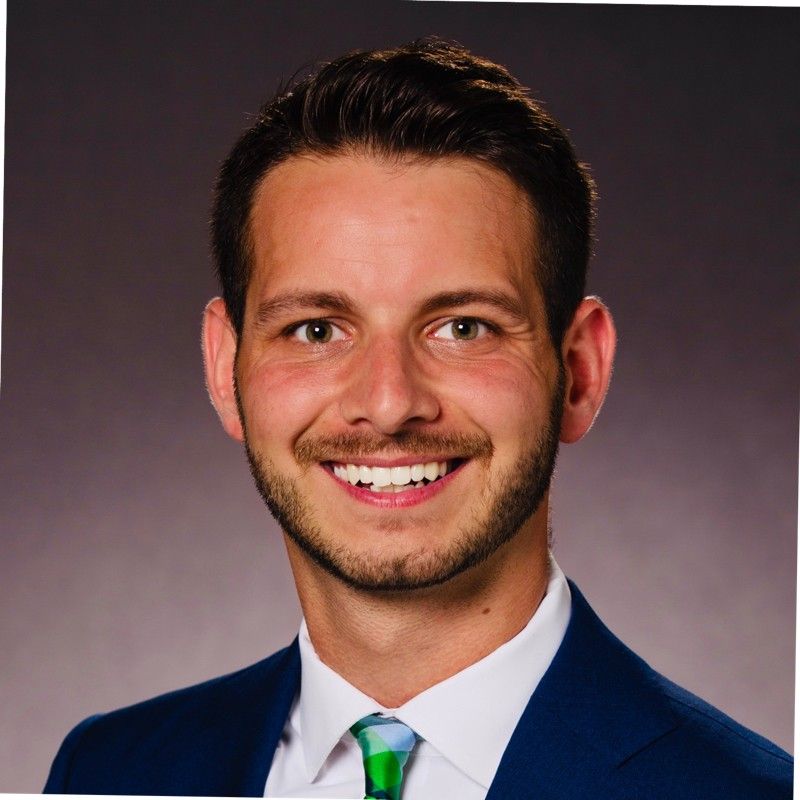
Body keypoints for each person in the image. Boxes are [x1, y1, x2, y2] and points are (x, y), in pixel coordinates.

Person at [43, 38, 792, 799]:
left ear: (580, 372)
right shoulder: (108, 773)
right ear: (224, 370)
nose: (390, 402)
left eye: (463, 327)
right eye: (316, 330)